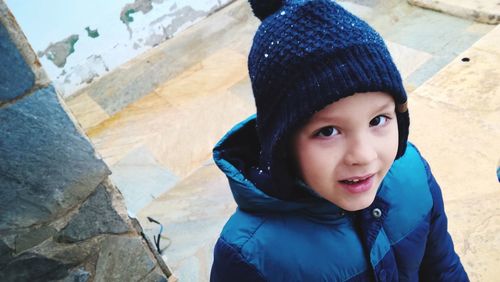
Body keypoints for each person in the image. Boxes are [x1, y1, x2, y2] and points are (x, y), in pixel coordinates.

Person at [210, 0, 468, 281]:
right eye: (328, 131)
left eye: (378, 120)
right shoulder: (250, 257)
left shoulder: (414, 175)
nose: (364, 155)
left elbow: (443, 268)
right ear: (282, 144)